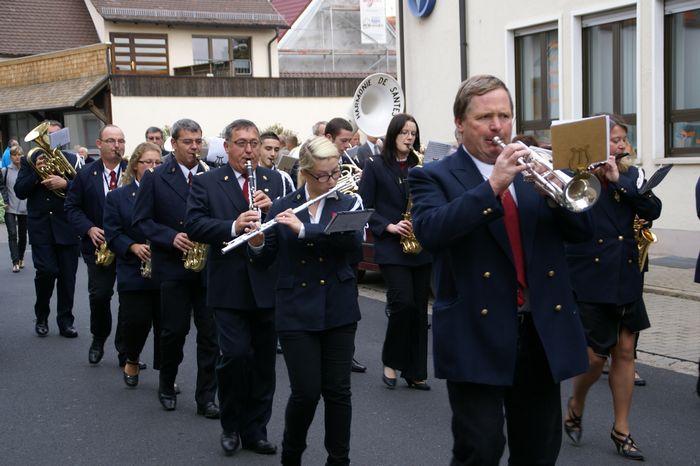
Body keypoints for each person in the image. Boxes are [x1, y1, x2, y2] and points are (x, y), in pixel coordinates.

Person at [408, 75, 592, 465]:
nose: (497, 126)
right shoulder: (433, 175)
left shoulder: (535, 167)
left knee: (538, 450)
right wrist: (491, 186)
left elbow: (582, 233)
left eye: (504, 116)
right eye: (484, 117)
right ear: (460, 124)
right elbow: (430, 232)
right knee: (480, 448)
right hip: (475, 331)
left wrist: (557, 198)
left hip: (538, 331)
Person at [248, 136, 363, 466]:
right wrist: (257, 241)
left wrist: (304, 231)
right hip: (296, 308)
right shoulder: (283, 205)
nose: (331, 180)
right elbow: (264, 259)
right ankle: (292, 454)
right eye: (324, 175)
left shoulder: (349, 202)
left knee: (338, 391)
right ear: (306, 173)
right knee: (307, 392)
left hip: (338, 306)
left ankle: (338, 460)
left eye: (335, 172)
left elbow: (352, 246)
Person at [563, 114, 662, 461]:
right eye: (614, 139)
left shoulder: (632, 176)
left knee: (625, 351)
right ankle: (577, 402)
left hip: (626, 274)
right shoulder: (577, 176)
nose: (621, 145)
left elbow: (653, 209)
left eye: (623, 139)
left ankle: (622, 429)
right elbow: (568, 218)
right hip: (589, 276)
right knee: (594, 357)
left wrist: (620, 182)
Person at [185, 119, 284, 456]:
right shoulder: (207, 181)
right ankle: (230, 425)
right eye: (241, 143)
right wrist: (233, 225)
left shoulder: (273, 180)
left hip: (265, 284)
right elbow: (194, 224)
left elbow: (284, 225)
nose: (249, 150)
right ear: (227, 147)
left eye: (254, 143)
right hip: (228, 286)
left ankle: (256, 430)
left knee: (264, 364)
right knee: (235, 356)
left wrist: (272, 211)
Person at [132, 118, 219, 417]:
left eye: (198, 141)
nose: (195, 147)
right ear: (173, 144)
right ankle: (167, 384)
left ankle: (206, 397)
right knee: (174, 331)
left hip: (208, 268)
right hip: (173, 267)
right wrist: (170, 237)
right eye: (188, 142)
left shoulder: (211, 174)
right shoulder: (155, 177)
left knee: (210, 336)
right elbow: (141, 220)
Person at [358, 113, 432, 390]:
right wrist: (388, 226)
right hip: (391, 246)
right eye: (404, 132)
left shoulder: (420, 165)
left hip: (419, 245)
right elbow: (365, 206)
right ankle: (391, 360)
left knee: (419, 311)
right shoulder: (375, 165)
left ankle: (415, 371)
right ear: (393, 134)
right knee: (402, 304)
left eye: (413, 133)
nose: (409, 137)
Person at [65, 124, 129, 365]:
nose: (117, 146)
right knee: (100, 296)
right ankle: (99, 338)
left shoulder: (133, 171)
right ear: (99, 144)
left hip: (129, 246)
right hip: (99, 246)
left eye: (121, 141)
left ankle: (126, 350)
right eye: (111, 141)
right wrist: (89, 228)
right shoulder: (85, 174)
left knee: (129, 299)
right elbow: (72, 207)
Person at [103, 142, 163, 387]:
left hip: (164, 267)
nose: (153, 167)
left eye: (158, 163)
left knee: (167, 326)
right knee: (136, 321)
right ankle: (132, 358)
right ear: (136, 165)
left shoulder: (168, 194)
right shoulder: (117, 197)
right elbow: (112, 232)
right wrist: (132, 247)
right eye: (148, 162)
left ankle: (166, 374)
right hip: (133, 268)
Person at [14, 120, 80, 338]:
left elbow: (84, 190)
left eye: (55, 136)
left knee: (67, 278)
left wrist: (66, 184)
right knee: (46, 272)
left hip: (67, 227)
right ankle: (41, 315)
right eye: (47, 136)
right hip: (41, 228)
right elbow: (20, 191)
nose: (50, 141)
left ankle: (66, 321)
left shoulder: (72, 159)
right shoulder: (29, 161)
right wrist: (37, 172)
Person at [325, 117, 366, 373]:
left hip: (347, 242)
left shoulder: (350, 164)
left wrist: (361, 182)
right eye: (343, 141)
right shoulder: (312, 163)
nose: (348, 146)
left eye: (350, 141)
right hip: (324, 241)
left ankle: (346, 353)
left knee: (349, 303)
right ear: (329, 138)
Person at [1, 145, 28, 273]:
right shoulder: (5, 171)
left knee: (22, 235)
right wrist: (5, 201)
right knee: (12, 234)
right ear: (10, 157)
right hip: (10, 207)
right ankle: (15, 262)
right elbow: (2, 187)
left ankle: (21, 257)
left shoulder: (27, 170)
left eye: (19, 154)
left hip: (24, 207)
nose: (17, 157)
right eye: (14, 155)